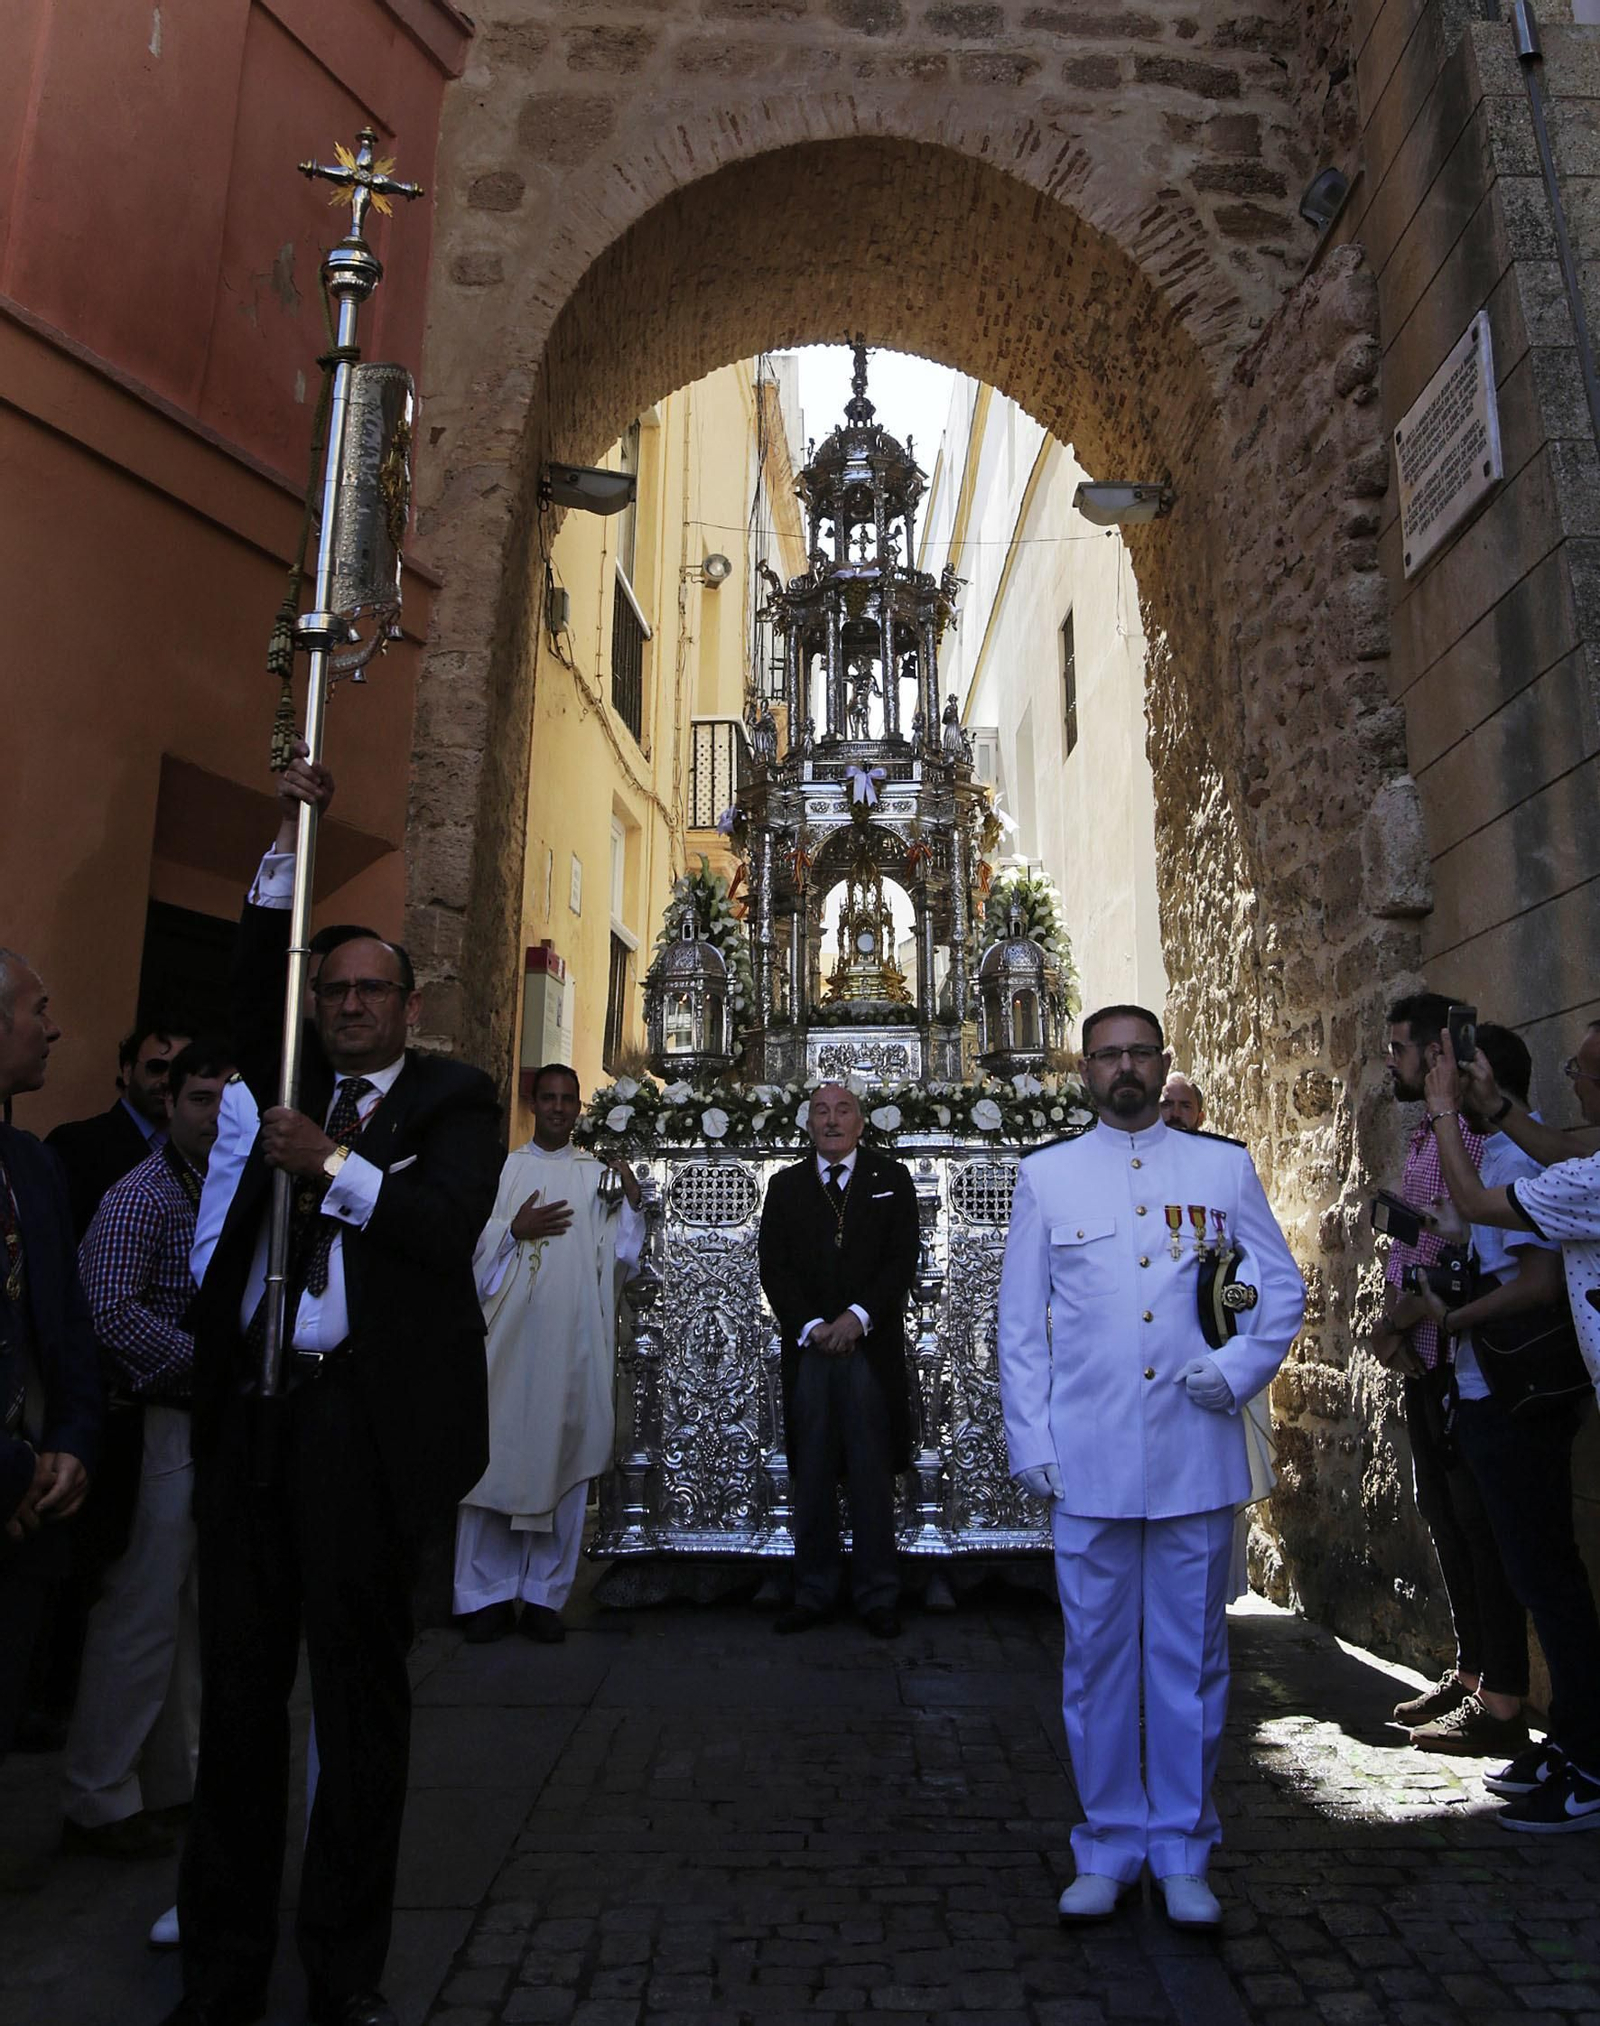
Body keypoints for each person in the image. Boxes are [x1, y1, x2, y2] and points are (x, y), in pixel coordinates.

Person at [164, 766, 502, 2026]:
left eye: (373, 993)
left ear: (409, 1007)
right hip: (257, 1418)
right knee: (240, 1707)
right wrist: (281, 849)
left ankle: (343, 1973)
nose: (351, 1007)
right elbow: (247, 1001)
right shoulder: (277, 1079)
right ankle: (218, 1978)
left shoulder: (451, 1101)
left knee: (358, 1712)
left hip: (363, 1433)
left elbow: (441, 1221)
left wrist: (337, 1164)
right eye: (337, 990)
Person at [997, 1004, 1304, 1930]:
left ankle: (1181, 1848)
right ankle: (1107, 1841)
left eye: (1140, 1053)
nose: (1124, 1069)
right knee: (1095, 1661)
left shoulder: (1221, 1168)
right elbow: (1020, 1330)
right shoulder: (1048, 1178)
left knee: (1191, 1659)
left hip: (1192, 1455)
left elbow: (1274, 1285)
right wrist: (1034, 1443)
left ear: (1163, 1061)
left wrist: (1238, 1365)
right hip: (1086, 1458)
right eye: (1107, 1056)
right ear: (1083, 1070)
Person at [1424, 1017, 1600, 1831]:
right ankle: (1578, 1744)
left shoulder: (1580, 1177)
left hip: (1524, 1393)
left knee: (1549, 1579)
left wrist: (1444, 1111)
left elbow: (1475, 1203)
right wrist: (1494, 1112)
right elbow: (1564, 1148)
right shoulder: (1580, 1161)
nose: (1577, 1083)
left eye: (1586, 1071)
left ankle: (1591, 1759)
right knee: (1544, 1574)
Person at [59, 1040, 230, 1860]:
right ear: (170, 1104)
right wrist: (213, 1366)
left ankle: (172, 1783)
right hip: (160, 1418)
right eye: (199, 1099)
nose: (211, 1115)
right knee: (139, 1614)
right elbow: (110, 1313)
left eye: (225, 1101)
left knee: (187, 1616)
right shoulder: (144, 1196)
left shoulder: (219, 1189)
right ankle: (97, 1794)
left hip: (204, 1423)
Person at [1371, 991, 1528, 1757]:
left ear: (1439, 1051)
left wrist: (1398, 1320)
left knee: (1478, 1523)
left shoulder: (1467, 1129)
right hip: (1426, 1359)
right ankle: (1471, 1674)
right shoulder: (1425, 1135)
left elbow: (1457, 1249)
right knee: (1446, 1516)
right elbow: (1418, 1231)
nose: (1390, 1061)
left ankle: (1501, 1697)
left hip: (1460, 1356)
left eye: (1400, 1048)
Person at [452, 1064, 643, 1644]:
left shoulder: (595, 1175)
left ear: (580, 1107)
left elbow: (622, 1259)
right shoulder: (506, 1169)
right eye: (549, 1098)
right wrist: (515, 1228)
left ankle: (543, 1597)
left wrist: (630, 1202)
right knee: (492, 1462)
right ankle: (484, 1596)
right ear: (533, 1102)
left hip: (570, 1341)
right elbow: (468, 1248)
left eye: (568, 1100)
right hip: (505, 1343)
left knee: (562, 1459)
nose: (559, 1108)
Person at [757, 1081, 919, 1639]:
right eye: (821, 1112)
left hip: (869, 1350)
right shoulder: (785, 1187)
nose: (831, 1121)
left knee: (872, 1470)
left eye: (842, 1110)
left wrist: (857, 1318)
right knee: (815, 1468)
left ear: (860, 1122)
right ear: (808, 1124)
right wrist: (813, 1325)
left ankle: (878, 1594)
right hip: (811, 1350)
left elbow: (902, 1260)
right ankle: (814, 1591)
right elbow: (773, 1268)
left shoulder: (889, 1180)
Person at [0, 951, 100, 1768]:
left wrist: (70, 1440)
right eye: (39, 1008)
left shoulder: (32, 1163)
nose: (54, 1027)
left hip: (31, 1508)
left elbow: (64, 1322)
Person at [47, 1023, 192, 1239]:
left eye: (179, 1071)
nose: (167, 1080)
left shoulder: (203, 1148)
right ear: (127, 1072)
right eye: (156, 1067)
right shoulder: (76, 1144)